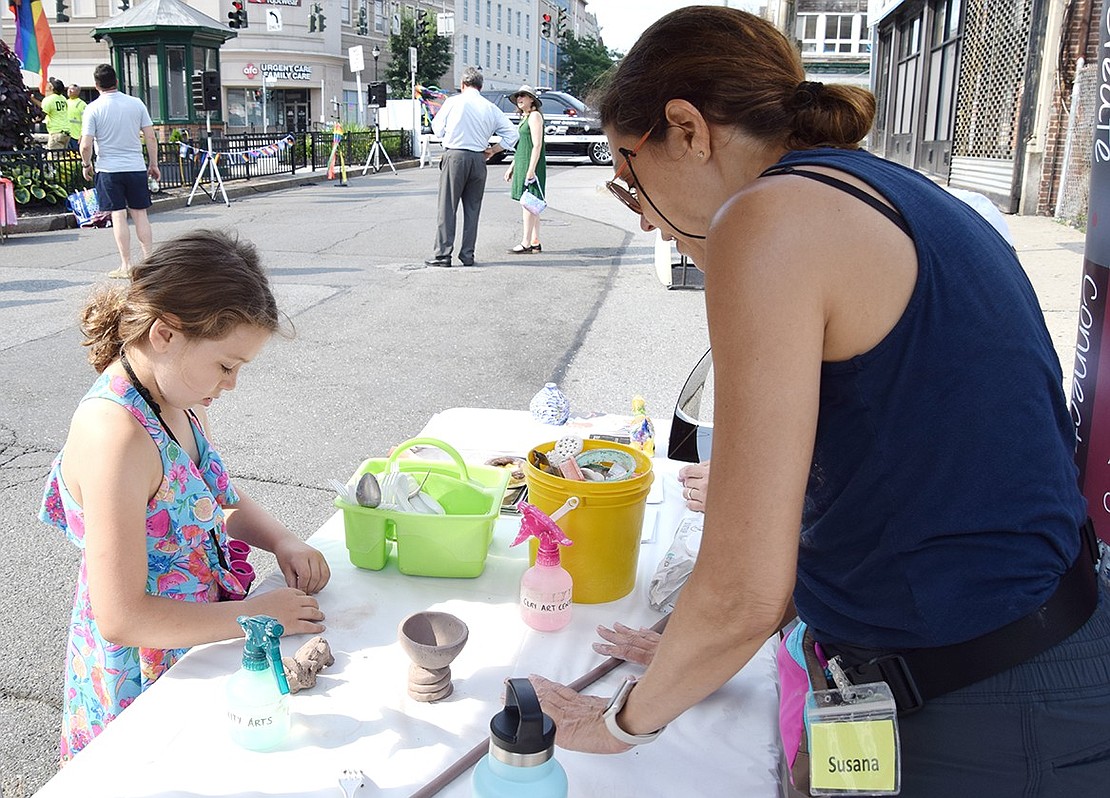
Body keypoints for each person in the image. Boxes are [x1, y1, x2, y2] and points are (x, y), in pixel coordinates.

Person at [530, 7, 1110, 795]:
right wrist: (692, 646)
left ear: (688, 129)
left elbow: (742, 588)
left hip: (987, 700)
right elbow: (872, 473)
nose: (644, 214)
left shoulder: (769, 219)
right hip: (995, 661)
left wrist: (623, 720)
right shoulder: (884, 188)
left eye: (628, 173)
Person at [39, 229, 331, 762]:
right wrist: (257, 616)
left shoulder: (175, 396)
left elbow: (206, 498)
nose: (231, 385)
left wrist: (281, 539)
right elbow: (121, 616)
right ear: (165, 334)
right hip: (144, 669)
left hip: (196, 637)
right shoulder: (116, 434)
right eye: (226, 365)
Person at [425, 67, 519, 267]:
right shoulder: (490, 107)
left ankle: (443, 255)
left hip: (455, 155)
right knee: (472, 208)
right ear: (481, 86)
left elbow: (438, 129)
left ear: (462, 85)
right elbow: (513, 134)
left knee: (447, 208)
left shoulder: (453, 102)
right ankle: (468, 255)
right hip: (478, 159)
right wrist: (494, 150)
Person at [80, 63, 161, 280]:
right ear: (116, 81)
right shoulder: (136, 103)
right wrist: (153, 164)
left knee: (118, 215)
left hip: (108, 169)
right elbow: (150, 136)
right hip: (135, 166)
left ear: (97, 85)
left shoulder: (93, 108)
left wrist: (86, 165)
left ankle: (126, 265)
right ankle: (148, 263)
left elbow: (86, 145)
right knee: (140, 214)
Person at [503, 85, 546, 253]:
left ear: (531, 99)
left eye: (523, 96)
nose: (519, 99)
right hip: (523, 162)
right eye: (518, 96)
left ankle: (526, 242)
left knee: (528, 203)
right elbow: (521, 146)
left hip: (531, 164)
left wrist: (531, 169)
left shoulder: (535, 116)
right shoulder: (525, 117)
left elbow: (537, 145)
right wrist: (512, 166)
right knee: (532, 203)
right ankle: (535, 241)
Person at [32, 78, 71, 150]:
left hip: (56, 132)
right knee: (63, 158)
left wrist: (35, 120)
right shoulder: (63, 98)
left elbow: (42, 113)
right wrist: (33, 99)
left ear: (51, 87)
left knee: (54, 158)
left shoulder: (48, 99)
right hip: (66, 132)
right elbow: (46, 106)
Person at [66, 83, 87, 152]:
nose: (69, 91)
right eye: (68, 89)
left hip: (77, 137)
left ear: (78, 92)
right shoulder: (65, 102)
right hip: (66, 135)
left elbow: (86, 121)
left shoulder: (81, 104)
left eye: (72, 89)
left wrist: (82, 135)